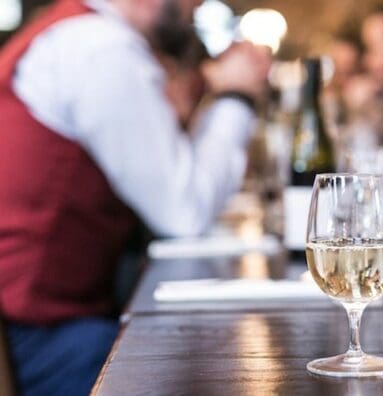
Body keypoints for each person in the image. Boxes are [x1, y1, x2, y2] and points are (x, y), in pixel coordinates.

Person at [0, 0, 271, 394]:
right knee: (211, 370)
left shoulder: (75, 33)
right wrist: (236, 97)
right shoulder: (100, 49)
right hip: (41, 334)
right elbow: (184, 212)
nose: (196, 7)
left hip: (39, 320)